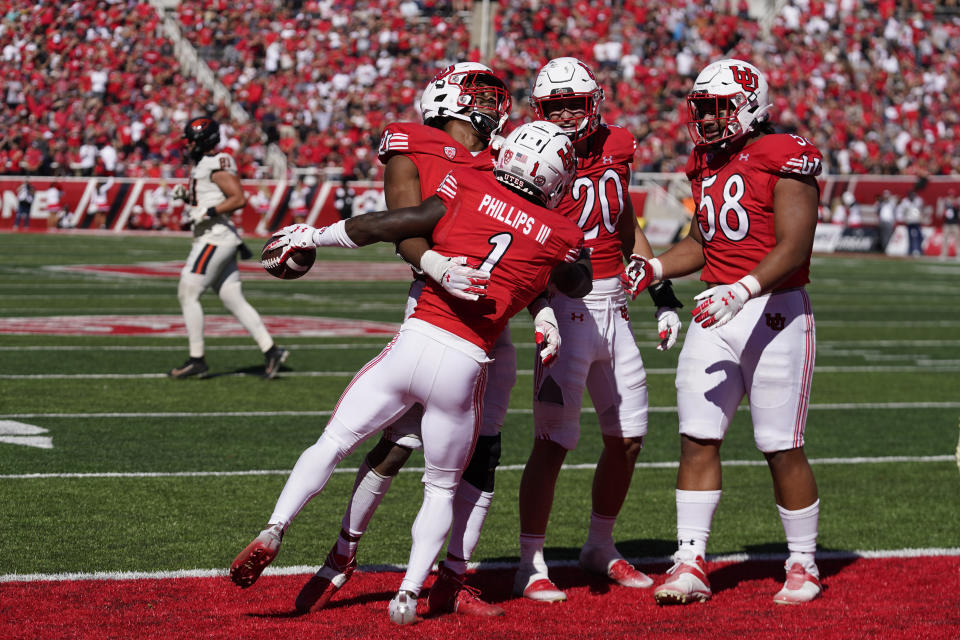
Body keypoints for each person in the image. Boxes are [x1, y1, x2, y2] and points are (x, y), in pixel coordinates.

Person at [229, 121, 591, 625]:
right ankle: (408, 591)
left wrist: (314, 235)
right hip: (466, 364)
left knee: (333, 442)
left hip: (414, 342)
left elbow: (392, 224)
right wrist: (548, 291)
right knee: (441, 487)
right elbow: (575, 279)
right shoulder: (561, 233)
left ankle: (276, 525)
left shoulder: (468, 183)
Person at [293, 62, 517, 619]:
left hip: (493, 320)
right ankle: (344, 551)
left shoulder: (504, 156)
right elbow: (405, 224)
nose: (494, 109)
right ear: (447, 99)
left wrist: (545, 313)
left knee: (483, 452)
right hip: (436, 306)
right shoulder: (413, 141)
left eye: (495, 97)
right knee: (398, 441)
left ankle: (454, 580)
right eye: (482, 97)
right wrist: (438, 263)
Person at [627, 59, 823, 606]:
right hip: (717, 311)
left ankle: (803, 563)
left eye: (718, 108)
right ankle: (690, 559)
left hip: (773, 311)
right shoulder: (706, 161)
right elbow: (705, 241)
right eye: (703, 110)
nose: (708, 121)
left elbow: (795, 245)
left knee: (780, 445)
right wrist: (658, 268)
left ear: (750, 105)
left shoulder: (785, 153)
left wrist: (742, 289)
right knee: (697, 436)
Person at [514, 57, 683, 602]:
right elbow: (515, 237)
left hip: (617, 306)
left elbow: (623, 222)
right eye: (554, 105)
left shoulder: (619, 144)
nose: (564, 114)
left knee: (629, 437)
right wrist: (537, 306)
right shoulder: (527, 152)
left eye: (574, 103)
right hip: (563, 306)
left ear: (595, 102)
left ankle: (598, 545)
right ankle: (530, 560)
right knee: (553, 441)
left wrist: (661, 291)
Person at [168, 116, 288, 380]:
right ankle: (271, 351)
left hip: (214, 238)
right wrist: (188, 196)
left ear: (202, 141)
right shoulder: (207, 163)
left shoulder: (214, 164)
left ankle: (196, 358)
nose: (187, 146)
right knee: (233, 299)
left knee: (188, 292)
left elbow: (238, 198)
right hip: (219, 237)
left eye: (191, 141)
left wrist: (207, 211)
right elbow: (212, 194)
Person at [940, 189, 958, 260]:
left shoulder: (957, 202)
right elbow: (940, 213)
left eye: (952, 195)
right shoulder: (945, 202)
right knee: (945, 239)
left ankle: (958, 253)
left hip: (955, 223)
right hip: (947, 223)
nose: (951, 196)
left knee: (957, 239)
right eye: (950, 194)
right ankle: (944, 254)